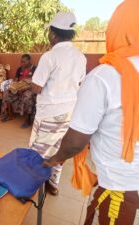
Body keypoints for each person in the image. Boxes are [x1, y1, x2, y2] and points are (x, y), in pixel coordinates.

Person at [44, 1, 139, 224]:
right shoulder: (81, 59)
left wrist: (55, 159)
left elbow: (76, 141)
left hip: (122, 186)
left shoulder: (105, 76)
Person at [29, 12, 87, 195]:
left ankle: (34, 186)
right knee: (59, 149)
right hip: (70, 112)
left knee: (38, 153)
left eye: (49, 33)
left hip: (49, 114)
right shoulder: (80, 57)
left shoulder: (49, 56)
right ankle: (53, 183)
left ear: (53, 34)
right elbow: (79, 83)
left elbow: (36, 87)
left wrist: (30, 83)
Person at [1, 54, 37, 128]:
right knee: (7, 93)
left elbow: (36, 82)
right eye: (21, 62)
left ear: (29, 61)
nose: (22, 63)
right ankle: (9, 115)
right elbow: (16, 79)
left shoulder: (34, 69)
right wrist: (15, 85)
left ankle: (28, 120)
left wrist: (25, 88)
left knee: (27, 97)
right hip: (19, 87)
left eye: (24, 62)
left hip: (30, 88)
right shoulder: (19, 69)